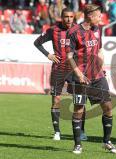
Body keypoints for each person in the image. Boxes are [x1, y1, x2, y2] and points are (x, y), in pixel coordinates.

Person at [66, 4, 116, 154]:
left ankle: (107, 142)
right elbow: (69, 56)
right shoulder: (74, 31)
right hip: (80, 78)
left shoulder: (98, 30)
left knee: (108, 107)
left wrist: (102, 66)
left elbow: (100, 50)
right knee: (78, 110)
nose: (101, 18)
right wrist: (78, 74)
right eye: (98, 16)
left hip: (97, 76)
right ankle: (77, 144)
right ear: (89, 15)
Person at [34, 7, 76, 141]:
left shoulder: (78, 30)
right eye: (66, 17)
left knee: (79, 101)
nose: (69, 19)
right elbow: (37, 43)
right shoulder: (53, 30)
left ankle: (81, 131)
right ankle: (57, 131)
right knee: (56, 99)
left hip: (75, 70)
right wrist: (48, 55)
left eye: (71, 17)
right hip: (58, 69)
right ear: (61, 17)